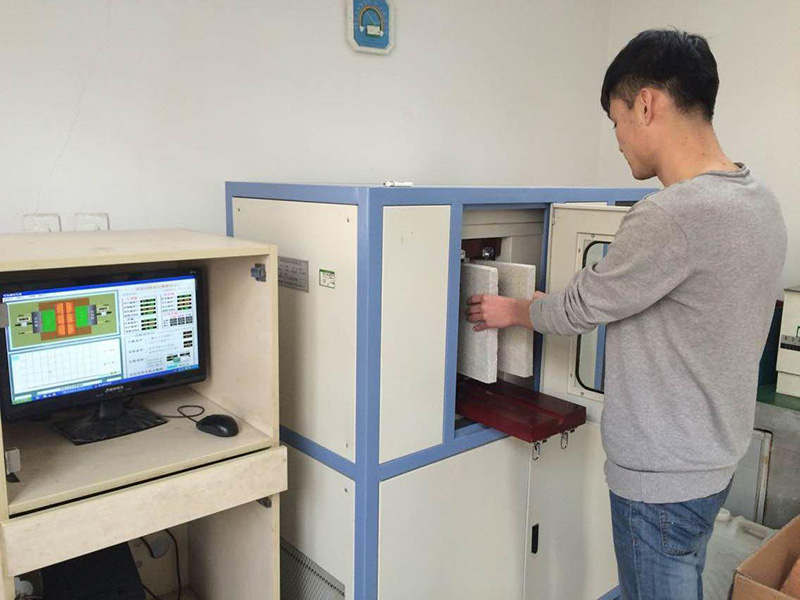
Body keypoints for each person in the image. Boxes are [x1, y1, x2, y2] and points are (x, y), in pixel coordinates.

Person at [466, 29, 787, 600]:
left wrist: (510, 309)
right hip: (713, 459)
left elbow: (582, 306)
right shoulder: (757, 199)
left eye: (616, 120)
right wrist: (547, 304)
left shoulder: (671, 215)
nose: (617, 139)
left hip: (661, 480)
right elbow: (652, 299)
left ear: (646, 104)